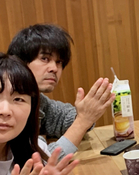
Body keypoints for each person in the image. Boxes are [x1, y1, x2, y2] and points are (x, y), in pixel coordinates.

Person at [8, 24, 113, 156]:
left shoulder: (37, 99)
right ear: (20, 62)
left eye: (59, 62)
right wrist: (83, 121)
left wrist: (84, 114)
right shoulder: (11, 105)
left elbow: (62, 118)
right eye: (45, 59)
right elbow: (42, 161)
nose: (54, 68)